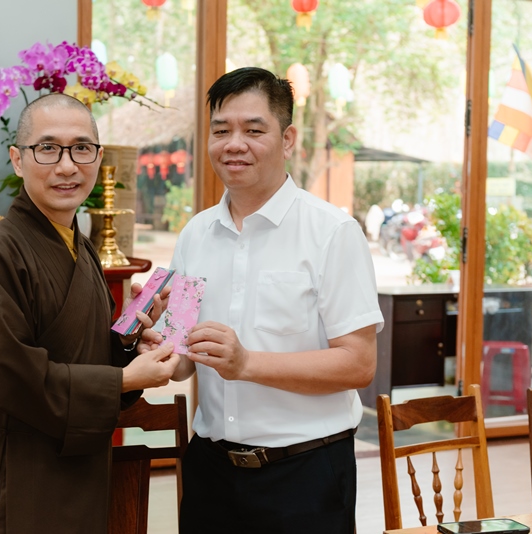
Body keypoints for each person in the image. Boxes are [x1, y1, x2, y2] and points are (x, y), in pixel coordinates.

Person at [152, 67, 384, 533]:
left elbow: (358, 364)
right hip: (210, 473)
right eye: (221, 130)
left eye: (254, 130)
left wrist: (246, 363)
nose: (234, 144)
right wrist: (153, 339)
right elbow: (179, 360)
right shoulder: (196, 234)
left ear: (287, 139)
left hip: (306, 475)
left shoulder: (332, 232)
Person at [0, 93, 180, 534]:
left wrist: (128, 343)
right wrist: (124, 380)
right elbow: (12, 378)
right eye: (48, 148)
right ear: (18, 160)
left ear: (98, 157)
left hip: (82, 469)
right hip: (20, 478)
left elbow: (81, 352)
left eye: (81, 148)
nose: (66, 166)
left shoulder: (81, 247)